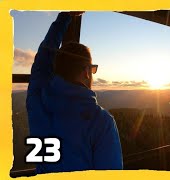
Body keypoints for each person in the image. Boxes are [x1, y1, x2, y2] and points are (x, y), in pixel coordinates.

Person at [26, 11, 123, 174]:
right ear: (86, 71)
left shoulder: (38, 101)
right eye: (92, 69)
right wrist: (66, 15)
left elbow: (43, 59)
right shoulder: (101, 122)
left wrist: (65, 16)